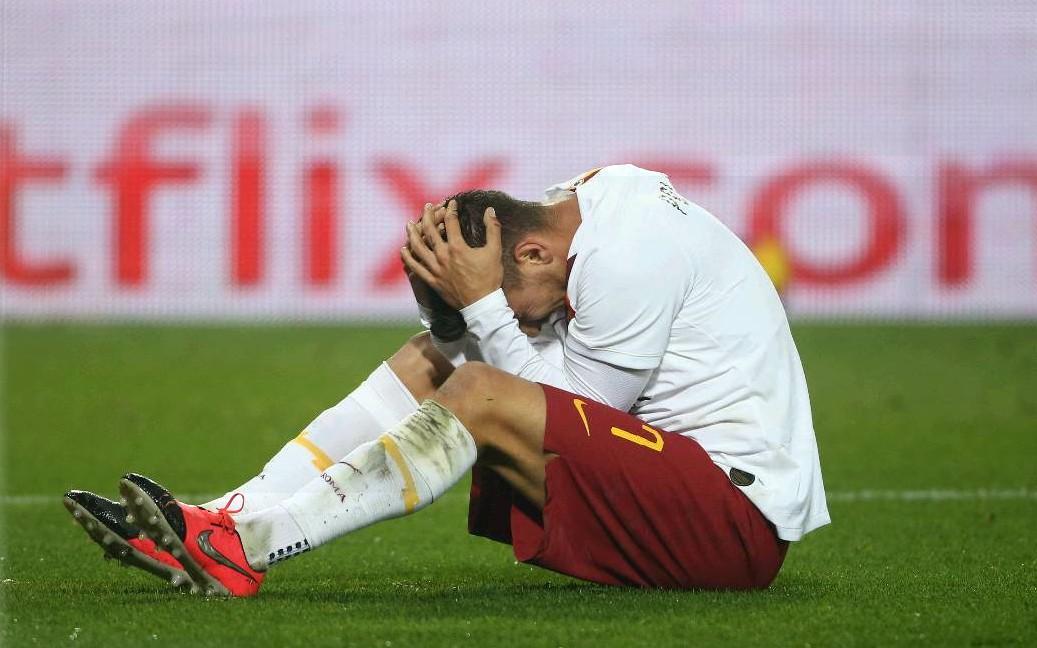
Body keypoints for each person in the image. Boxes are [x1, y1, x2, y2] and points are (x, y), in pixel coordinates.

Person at [65, 164, 830, 597]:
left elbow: (572, 416)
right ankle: (222, 520)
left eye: (519, 304)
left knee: (477, 389)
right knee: (437, 356)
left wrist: (487, 313)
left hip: (734, 523)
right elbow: (534, 387)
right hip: (666, 486)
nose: (526, 323)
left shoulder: (628, 257)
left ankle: (249, 549)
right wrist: (470, 318)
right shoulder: (574, 217)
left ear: (528, 255)